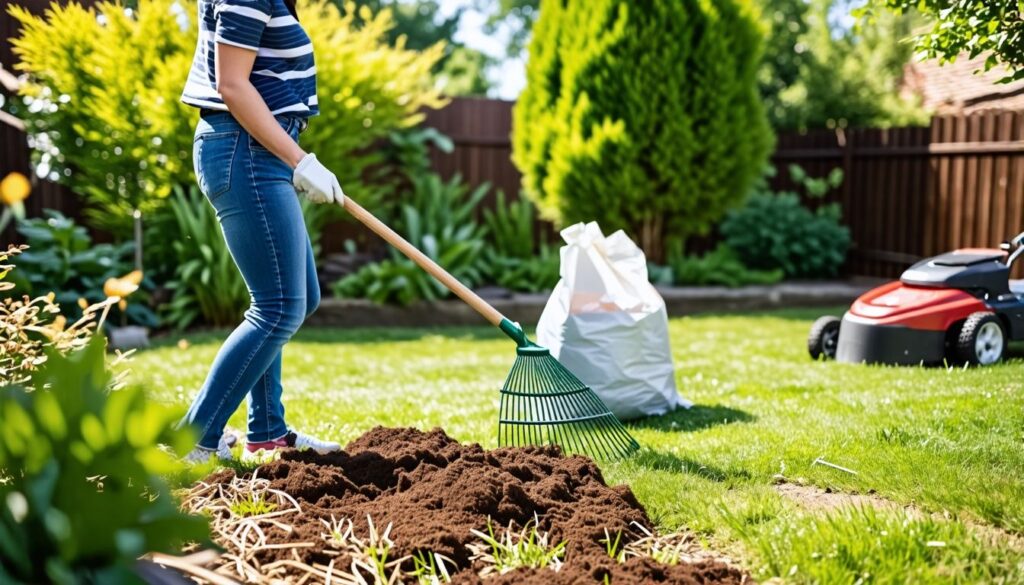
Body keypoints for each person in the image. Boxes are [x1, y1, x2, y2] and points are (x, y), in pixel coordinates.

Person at [178, 0, 342, 463]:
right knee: (278, 306)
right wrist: (300, 160)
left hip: (257, 151)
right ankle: (193, 439)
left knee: (298, 298)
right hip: (243, 151)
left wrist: (292, 157)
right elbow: (231, 84)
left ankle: (267, 430)